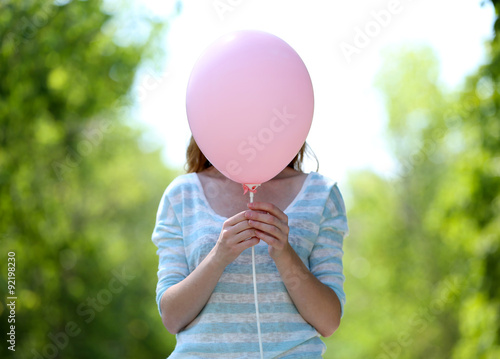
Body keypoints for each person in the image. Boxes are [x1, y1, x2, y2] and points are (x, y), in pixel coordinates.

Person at [152, 137, 349, 358]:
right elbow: (171, 317)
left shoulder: (322, 193)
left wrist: (285, 254)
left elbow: (328, 321)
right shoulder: (181, 194)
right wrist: (218, 256)